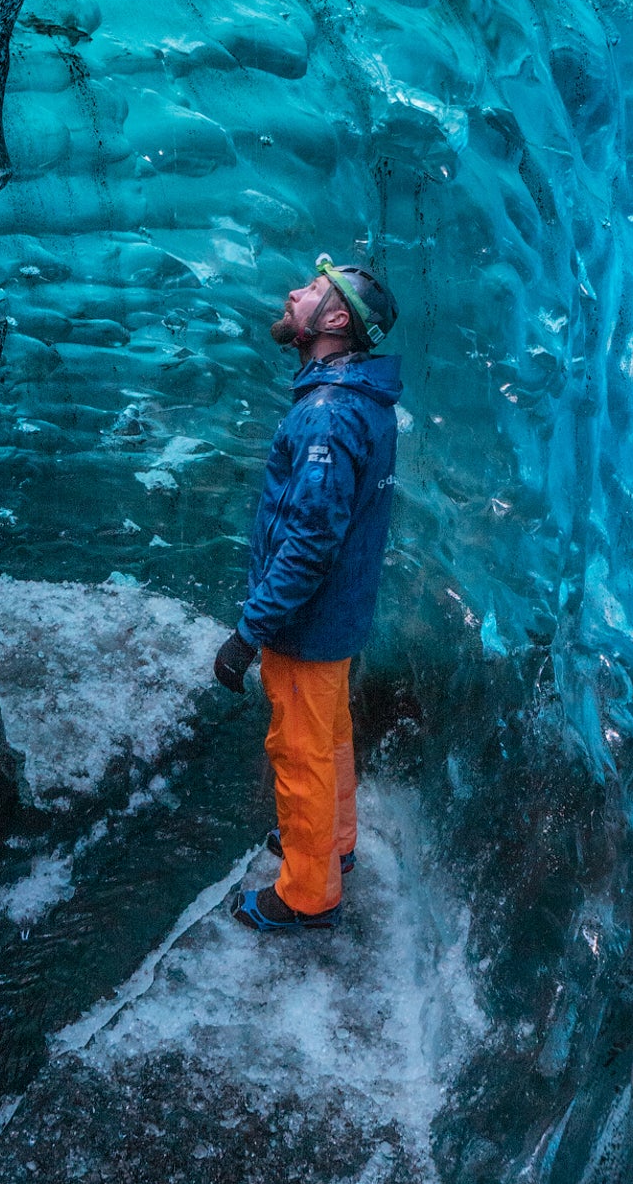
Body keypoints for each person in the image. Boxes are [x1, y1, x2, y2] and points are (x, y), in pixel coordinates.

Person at [214, 252, 402, 932]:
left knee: (298, 753)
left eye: (312, 288)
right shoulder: (358, 399)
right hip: (337, 617)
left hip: (308, 620)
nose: (293, 290)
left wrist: (248, 632)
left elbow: (308, 543)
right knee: (330, 737)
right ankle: (333, 844)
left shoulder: (325, 415)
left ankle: (305, 893)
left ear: (331, 318)